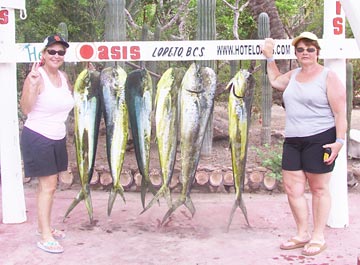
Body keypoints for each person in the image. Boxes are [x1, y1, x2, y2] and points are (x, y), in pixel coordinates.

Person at [262, 32, 347, 256]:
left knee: (319, 189)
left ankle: (318, 236)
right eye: (300, 50)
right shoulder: (294, 74)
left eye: (310, 49)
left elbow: (340, 113)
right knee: (292, 189)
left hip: (321, 138)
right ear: (296, 54)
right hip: (293, 140)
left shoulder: (328, 76)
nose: (305, 53)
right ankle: (302, 234)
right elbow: (275, 81)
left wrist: (339, 142)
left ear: (317, 51)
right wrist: (269, 58)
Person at [20, 35, 74, 254]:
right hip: (38, 136)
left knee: (48, 187)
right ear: (43, 54)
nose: (56, 56)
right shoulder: (36, 76)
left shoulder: (64, 77)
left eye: (60, 52)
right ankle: (45, 236)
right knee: (48, 186)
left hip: (57, 136)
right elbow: (26, 109)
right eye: (51, 51)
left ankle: (45, 226)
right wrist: (32, 86)